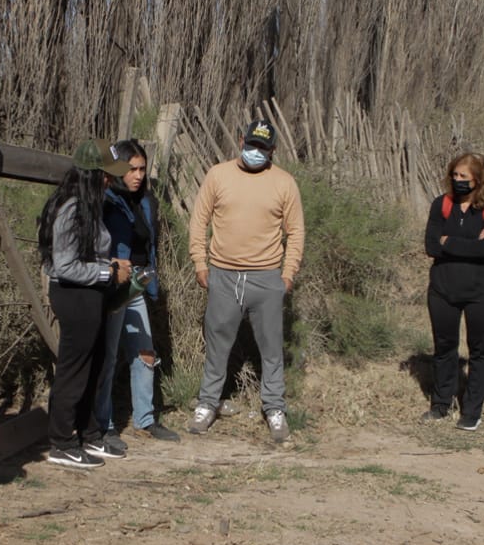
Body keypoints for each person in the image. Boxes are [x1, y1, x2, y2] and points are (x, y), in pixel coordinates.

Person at [188, 119, 305, 443]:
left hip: (267, 279)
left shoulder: (284, 183)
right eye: (251, 144)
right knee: (217, 346)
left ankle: (275, 408)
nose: (255, 152)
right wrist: (201, 262)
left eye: (263, 148)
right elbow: (199, 221)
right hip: (223, 276)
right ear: (241, 139)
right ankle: (208, 403)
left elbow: (295, 232)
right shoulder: (218, 175)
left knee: (271, 350)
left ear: (273, 150)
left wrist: (287, 274)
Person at [38, 139, 132, 469]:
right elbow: (64, 265)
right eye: (106, 175)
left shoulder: (90, 205)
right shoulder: (71, 209)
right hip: (73, 295)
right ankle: (62, 441)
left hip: (91, 295)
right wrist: (108, 271)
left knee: (94, 365)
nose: (111, 180)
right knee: (74, 369)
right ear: (90, 174)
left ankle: (90, 434)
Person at [93, 140, 179, 446]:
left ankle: (144, 420)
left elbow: (149, 245)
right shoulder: (104, 200)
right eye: (132, 169)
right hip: (112, 282)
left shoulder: (145, 201)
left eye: (142, 169)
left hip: (138, 284)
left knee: (145, 352)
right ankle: (104, 425)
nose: (138, 175)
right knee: (109, 354)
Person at [421, 152, 484, 431]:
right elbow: (431, 246)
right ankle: (441, 403)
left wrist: (449, 241)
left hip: (482, 292)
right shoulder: (441, 205)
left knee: (480, 350)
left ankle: (472, 410)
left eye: (464, 177)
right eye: (454, 175)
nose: (457, 181)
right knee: (445, 348)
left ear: (478, 179)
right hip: (443, 290)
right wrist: (467, 242)